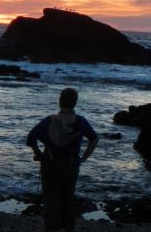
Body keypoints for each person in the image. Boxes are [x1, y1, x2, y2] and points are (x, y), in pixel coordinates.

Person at [26, 88, 98, 232]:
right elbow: (94, 139)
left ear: (59, 101)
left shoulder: (49, 120)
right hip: (71, 165)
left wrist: (38, 152)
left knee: (51, 201)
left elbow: (31, 138)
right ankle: (68, 228)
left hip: (50, 164)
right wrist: (83, 158)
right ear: (75, 103)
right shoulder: (81, 122)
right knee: (67, 199)